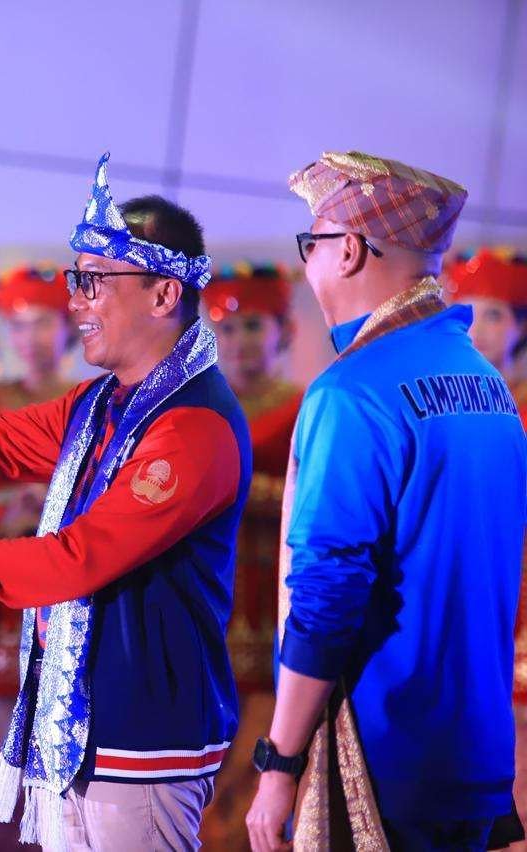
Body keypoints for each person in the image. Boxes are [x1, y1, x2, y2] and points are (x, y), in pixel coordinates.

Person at [0, 153, 252, 851]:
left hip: (141, 744)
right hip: (82, 736)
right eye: (76, 279)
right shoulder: (103, 404)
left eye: (94, 280)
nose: (75, 300)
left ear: (164, 295)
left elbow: (75, 562)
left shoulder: (192, 427)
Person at [245, 152, 526, 852]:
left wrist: (279, 761)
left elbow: (326, 592)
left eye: (311, 243)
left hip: (381, 761)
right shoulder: (486, 383)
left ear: (347, 250)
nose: (309, 265)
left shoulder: (353, 391)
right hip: (477, 759)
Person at [0, 262, 75, 852]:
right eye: (19, 324)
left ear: (69, 327)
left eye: (43, 323)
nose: (30, 338)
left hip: (72, 593)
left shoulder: (92, 404)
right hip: (5, 604)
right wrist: (14, 505)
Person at [197, 262, 303, 848]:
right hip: (207, 601)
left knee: (256, 769)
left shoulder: (305, 408)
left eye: (255, 326)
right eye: (228, 328)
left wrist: (232, 489)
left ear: (284, 331)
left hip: (275, 605)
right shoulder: (197, 405)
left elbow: (314, 500)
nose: (240, 341)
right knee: (201, 774)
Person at [444, 246, 527, 851]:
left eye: (495, 313)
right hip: (456, 603)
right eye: (467, 310)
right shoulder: (441, 399)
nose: (478, 327)